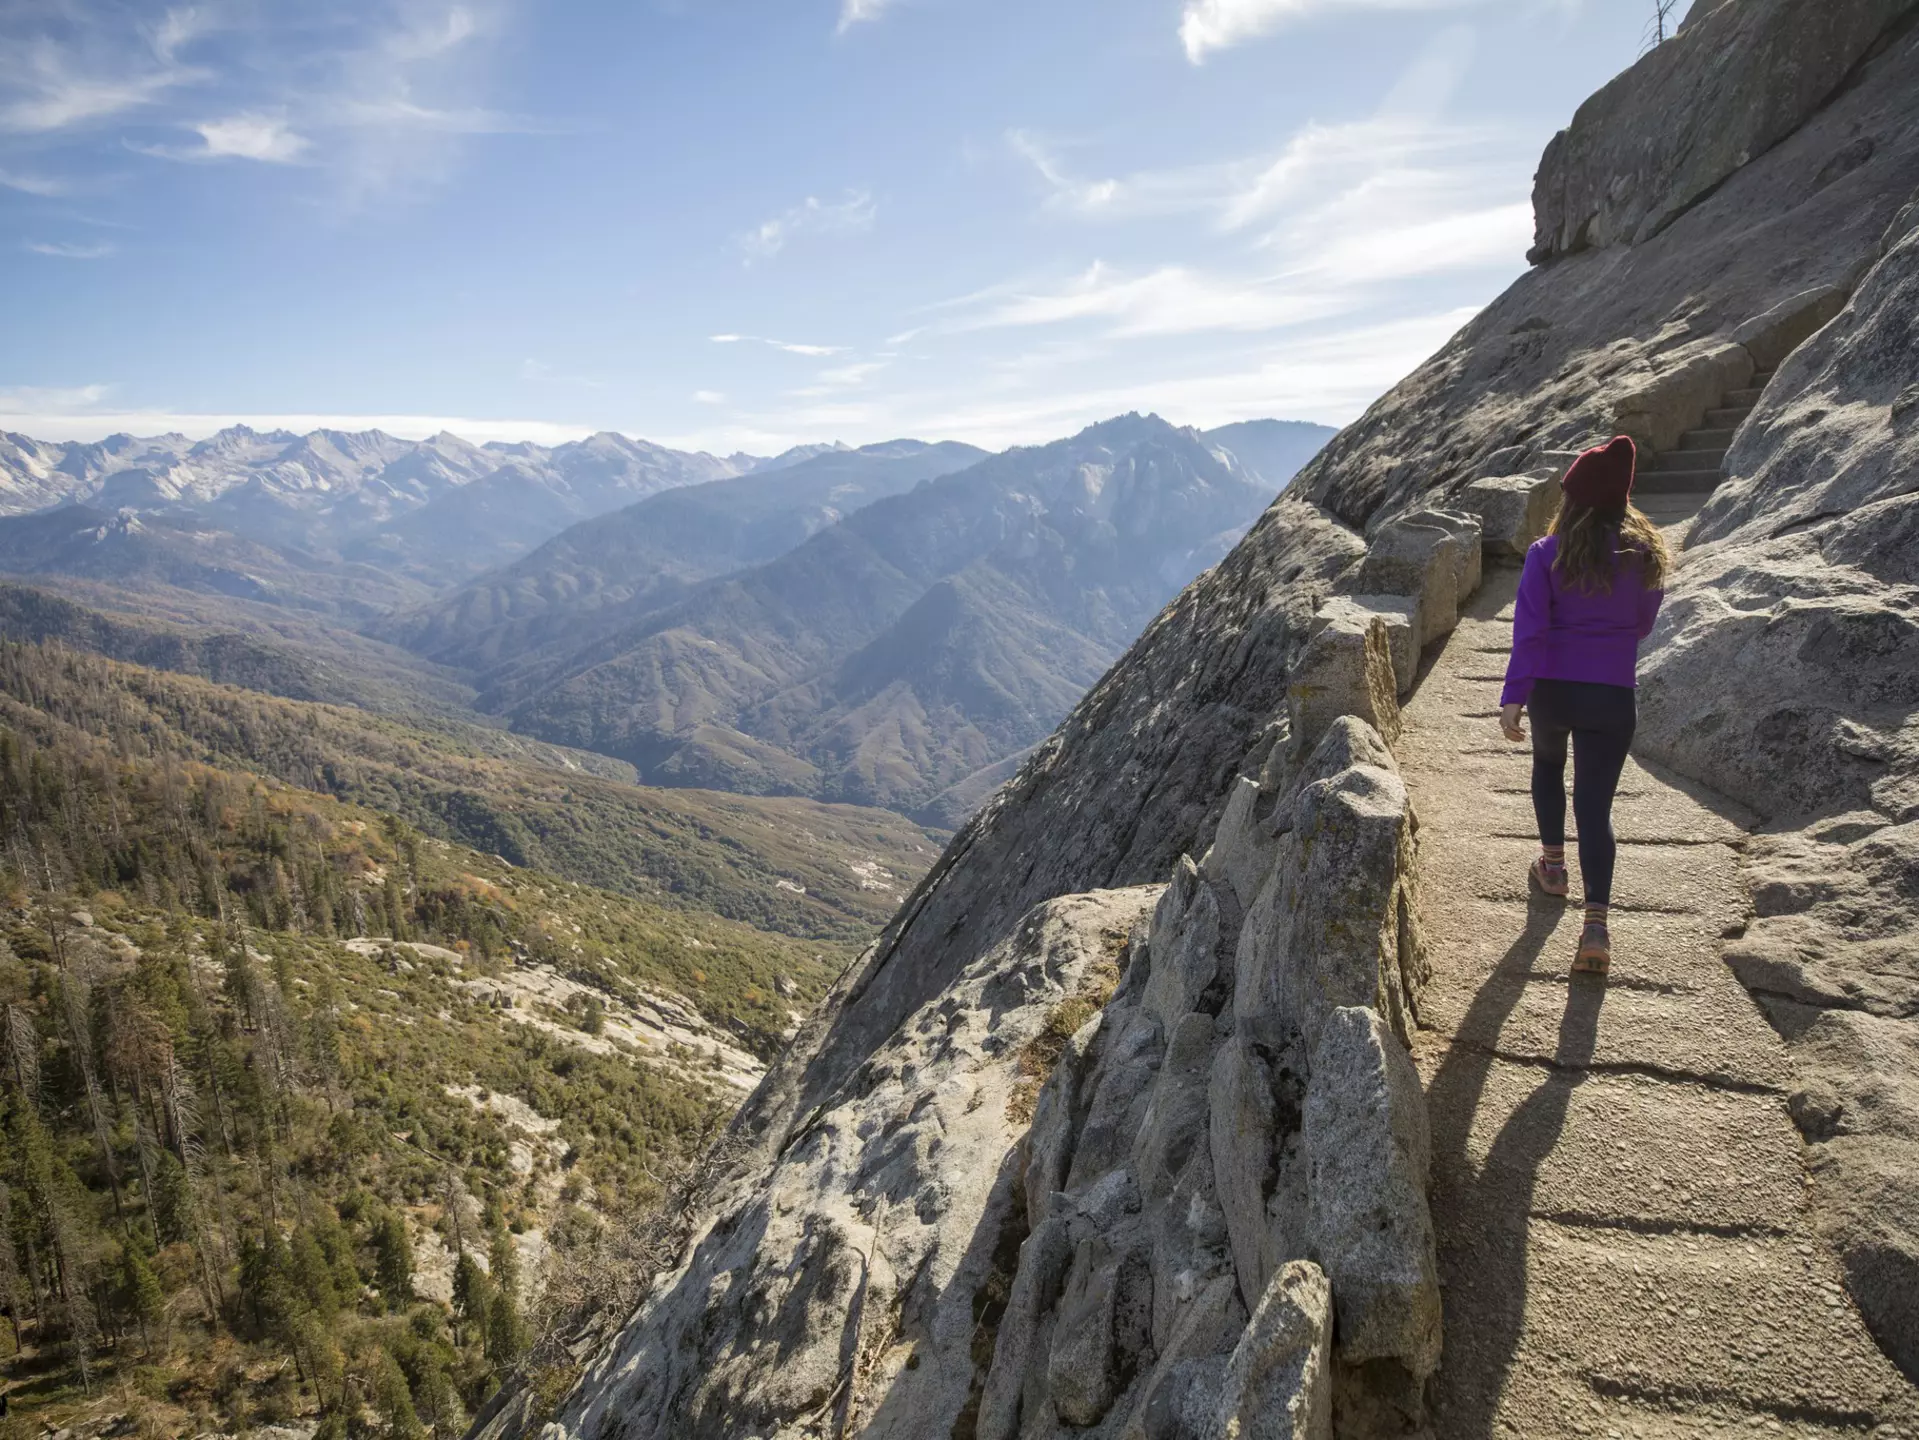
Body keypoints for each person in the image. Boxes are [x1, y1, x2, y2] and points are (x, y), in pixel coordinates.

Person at [1498, 435, 1670, 975]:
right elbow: (1642, 624)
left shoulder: (1545, 555)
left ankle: (1552, 869)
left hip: (1553, 691)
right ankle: (1595, 927)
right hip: (1613, 695)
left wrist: (1513, 698)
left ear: (1572, 500)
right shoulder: (1644, 556)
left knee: (1547, 766)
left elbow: (1529, 632)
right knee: (1595, 807)